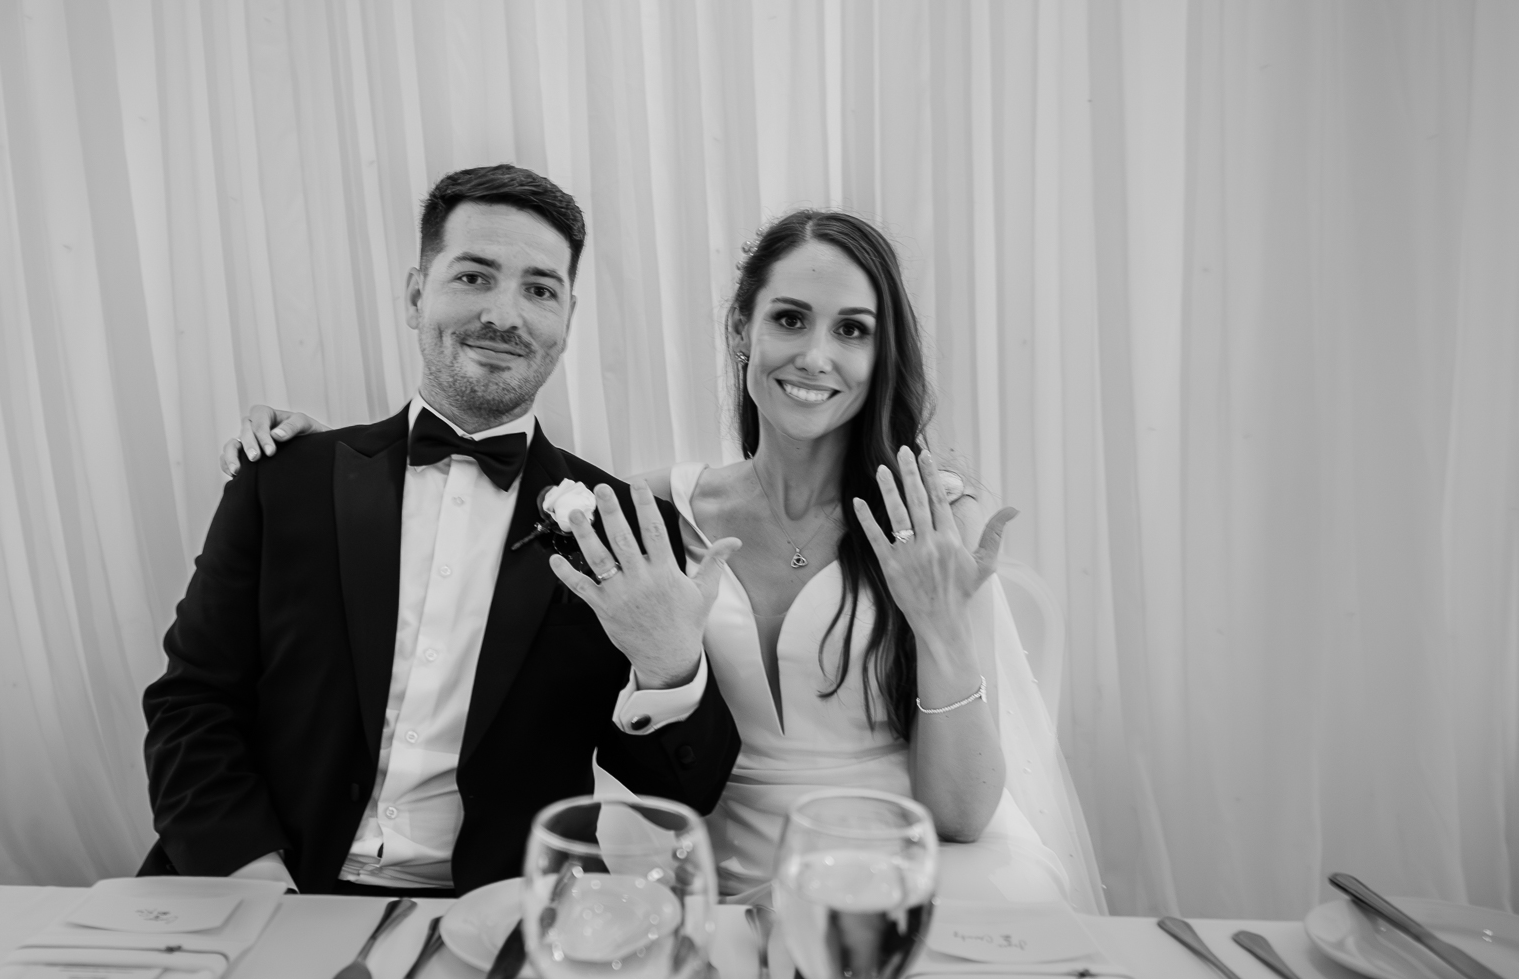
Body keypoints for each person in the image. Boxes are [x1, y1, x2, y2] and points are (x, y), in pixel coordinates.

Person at [228, 209, 1103, 911]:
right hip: (704, 865)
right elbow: (466, 574)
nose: (815, 356)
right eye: (790, 319)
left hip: (896, 865)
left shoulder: (932, 517)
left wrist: (943, 631)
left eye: (853, 330)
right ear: (743, 332)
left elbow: (959, 817)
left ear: (882, 355)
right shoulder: (646, 508)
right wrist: (314, 465)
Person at [142, 164, 740, 895]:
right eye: (473, 277)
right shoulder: (285, 477)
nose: (505, 315)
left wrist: (669, 665)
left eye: (540, 289)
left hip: (497, 916)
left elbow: (688, 790)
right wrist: (258, 885)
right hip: (262, 884)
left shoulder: (619, 522)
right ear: (416, 293)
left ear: (567, 319)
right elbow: (192, 704)